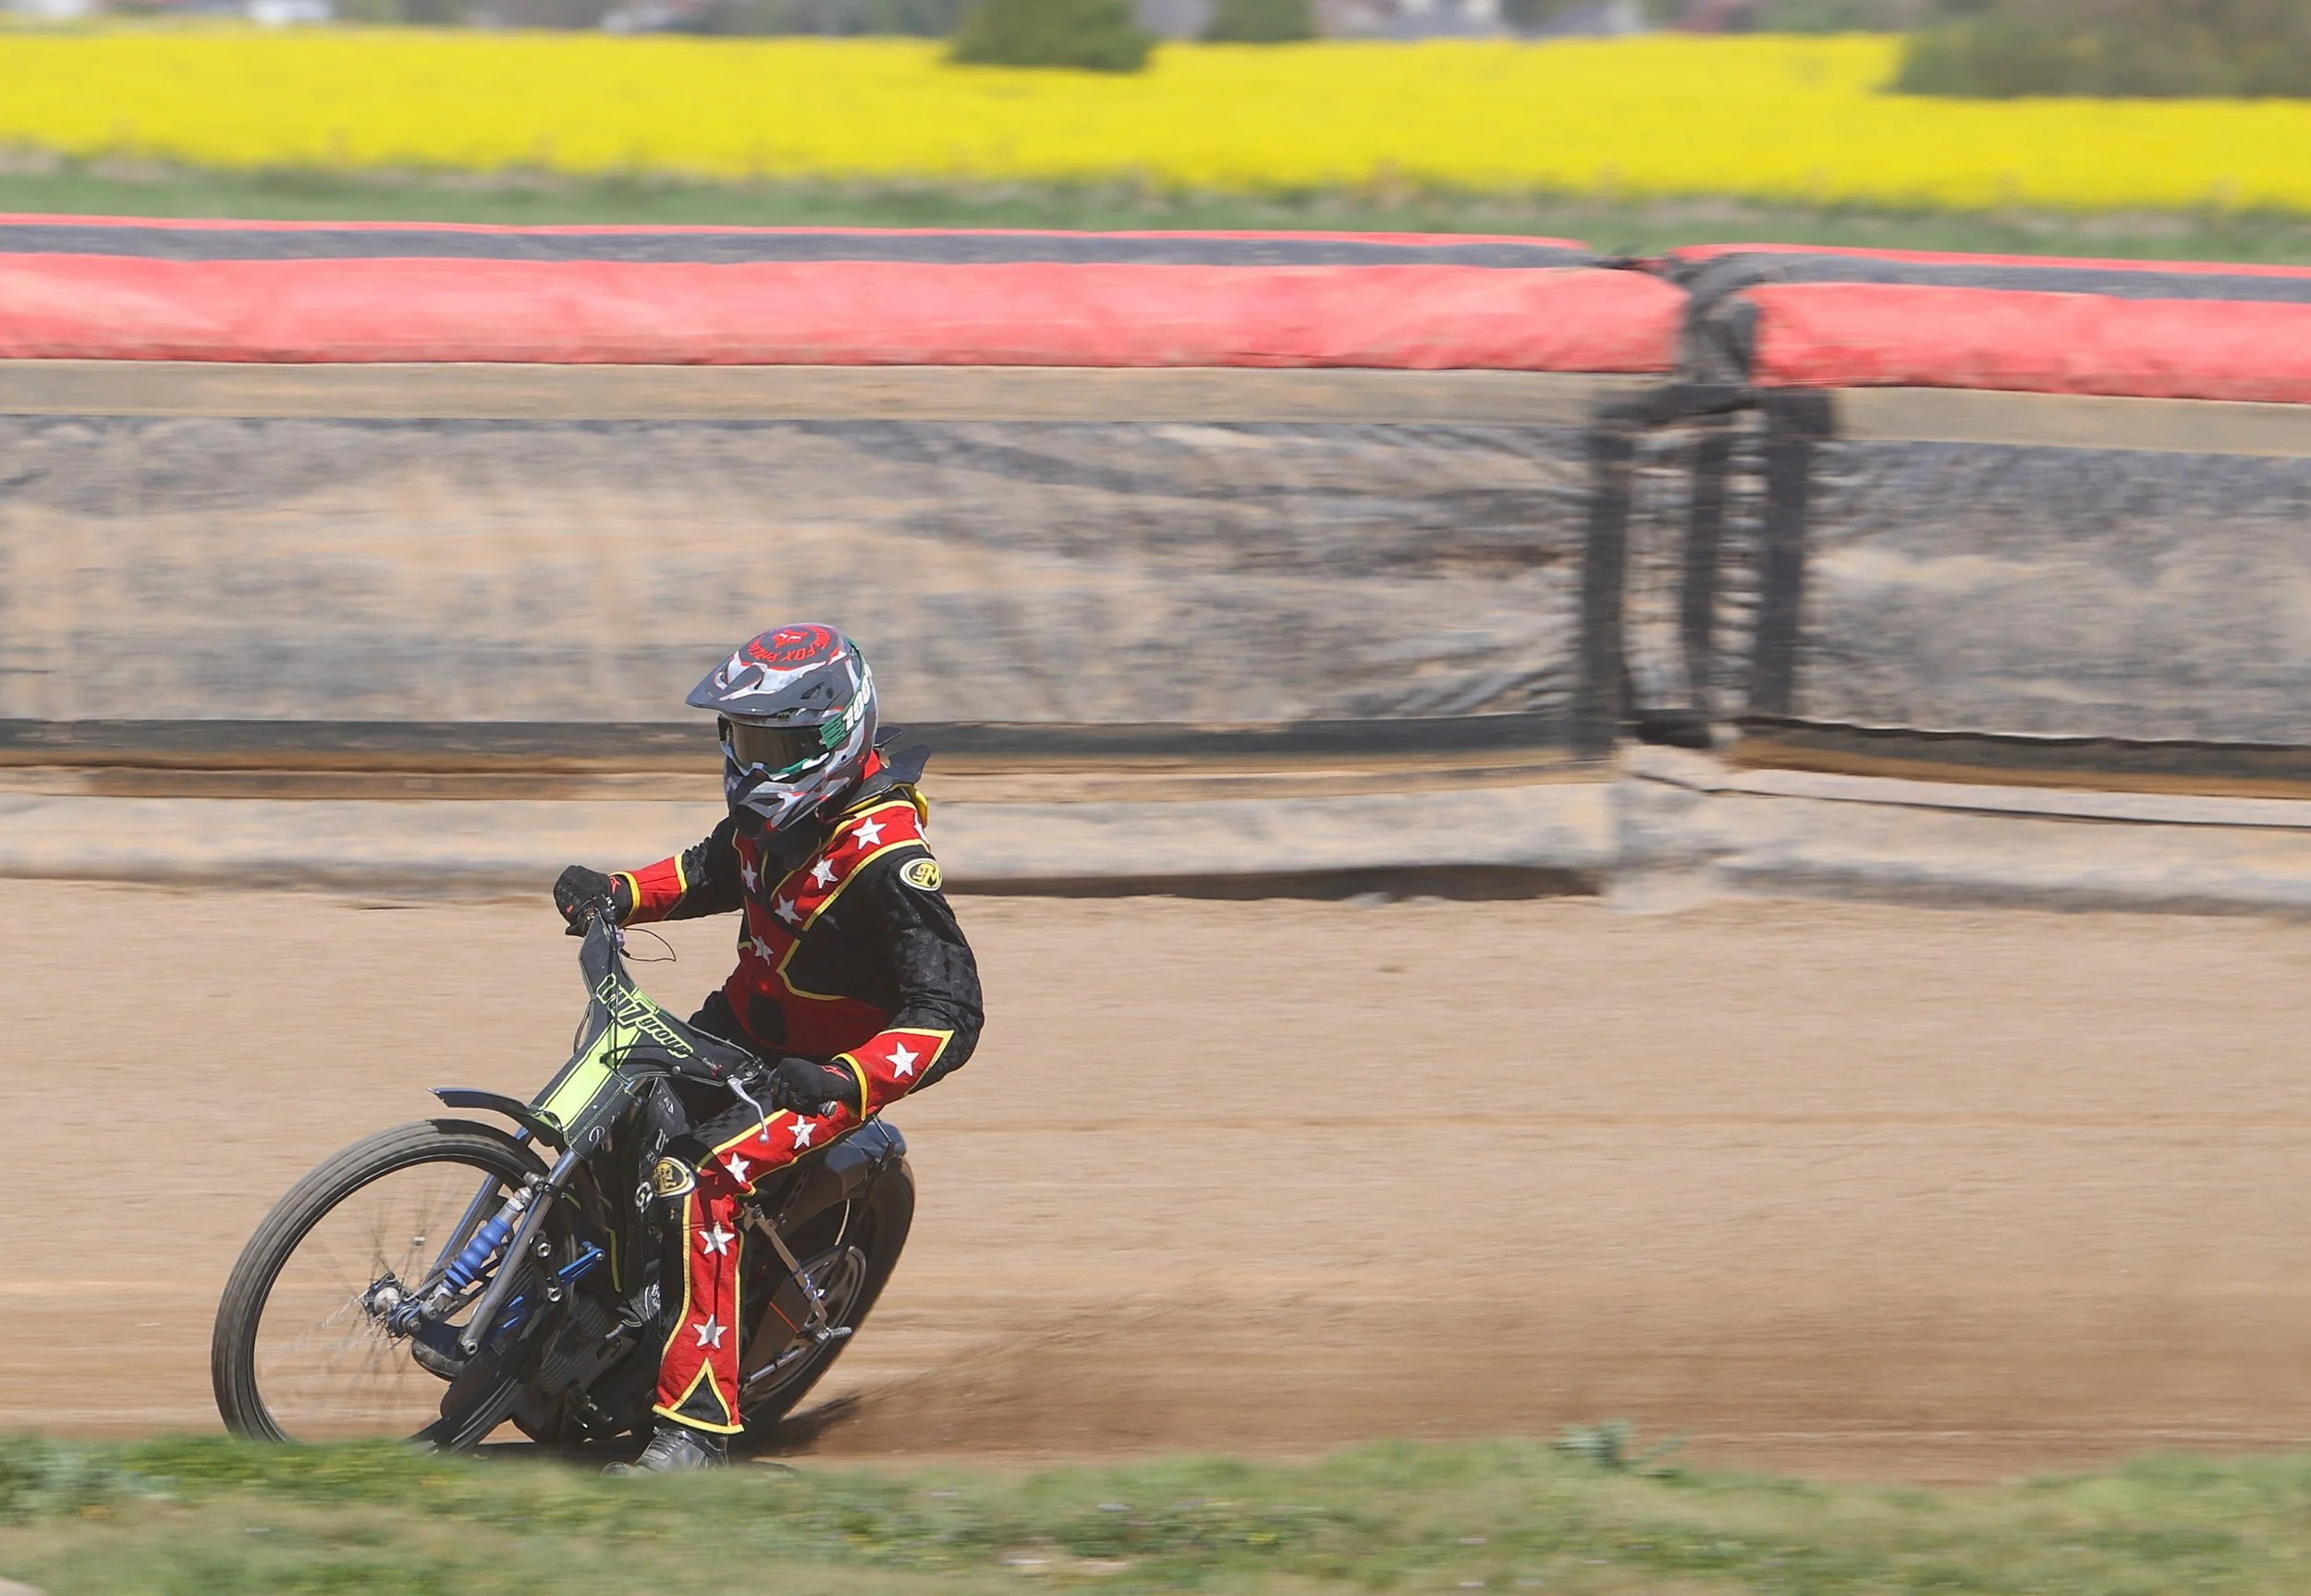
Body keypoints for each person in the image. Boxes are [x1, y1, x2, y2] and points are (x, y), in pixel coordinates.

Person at [552, 623, 982, 1474]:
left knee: (702, 1179)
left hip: (817, 1076)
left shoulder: (887, 859)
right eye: (742, 738)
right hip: (740, 1026)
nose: (750, 762)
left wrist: (843, 1078)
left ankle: (693, 1433)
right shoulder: (776, 816)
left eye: (772, 743)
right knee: (603, 1105)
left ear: (831, 735)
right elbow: (714, 869)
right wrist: (617, 892)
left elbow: (951, 1013)